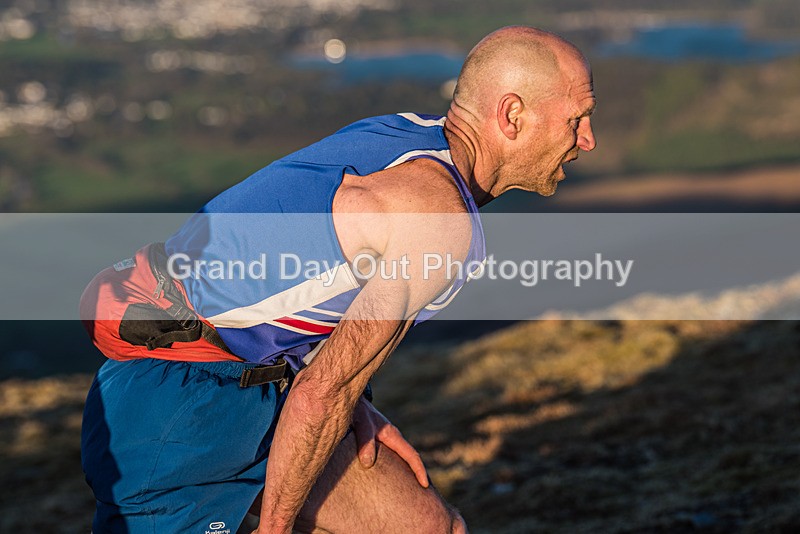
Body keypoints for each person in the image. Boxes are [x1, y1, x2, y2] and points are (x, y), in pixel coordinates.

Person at [79, 25, 596, 534]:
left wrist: (358, 401)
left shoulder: (403, 135)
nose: (588, 140)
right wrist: (277, 525)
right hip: (177, 415)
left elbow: (302, 275)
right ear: (512, 115)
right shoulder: (439, 221)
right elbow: (322, 395)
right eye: (577, 119)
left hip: (255, 385)